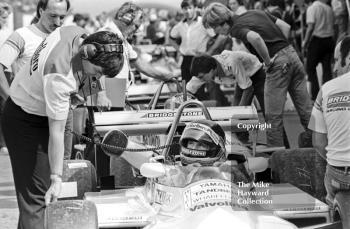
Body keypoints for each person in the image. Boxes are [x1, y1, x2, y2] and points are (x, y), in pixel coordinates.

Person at [2, 26, 124, 229]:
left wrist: (87, 90)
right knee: (40, 198)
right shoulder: (59, 75)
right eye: (98, 72)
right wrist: (56, 177)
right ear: (87, 53)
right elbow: (56, 133)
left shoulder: (73, 32)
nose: (96, 77)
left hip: (41, 109)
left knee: (37, 197)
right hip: (25, 121)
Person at [202, 2, 313, 148]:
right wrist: (281, 48)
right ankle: (317, 150)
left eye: (214, 28)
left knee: (272, 119)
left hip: (276, 63)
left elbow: (255, 38)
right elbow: (285, 27)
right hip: (292, 55)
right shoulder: (255, 12)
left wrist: (268, 61)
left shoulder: (236, 28)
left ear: (221, 23)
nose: (217, 33)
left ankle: (279, 163)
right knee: (306, 112)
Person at [0, 0, 71, 157]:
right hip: (30, 116)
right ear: (40, 11)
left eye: (62, 17)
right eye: (53, 16)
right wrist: (10, 100)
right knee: (37, 174)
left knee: (64, 167)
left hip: (61, 114)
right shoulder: (22, 36)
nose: (58, 22)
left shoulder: (64, 37)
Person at [308, 36, 350, 228]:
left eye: (336, 59)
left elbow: (318, 142)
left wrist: (338, 158)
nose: (334, 67)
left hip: (338, 173)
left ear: (348, 58)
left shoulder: (326, 89)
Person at [169, 0, 216, 100]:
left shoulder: (203, 22)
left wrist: (210, 52)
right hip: (186, 60)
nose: (187, 11)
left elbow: (217, 36)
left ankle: (201, 111)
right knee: (186, 90)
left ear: (194, 8)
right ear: (182, 10)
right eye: (185, 9)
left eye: (190, 8)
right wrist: (179, 50)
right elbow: (171, 38)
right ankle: (188, 111)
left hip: (200, 60)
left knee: (199, 90)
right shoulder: (180, 25)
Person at [302, 0, 335, 101]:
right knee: (327, 69)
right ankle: (328, 94)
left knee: (310, 68)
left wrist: (305, 42)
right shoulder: (329, 9)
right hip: (329, 40)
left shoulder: (312, 8)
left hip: (317, 40)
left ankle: (316, 96)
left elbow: (311, 27)